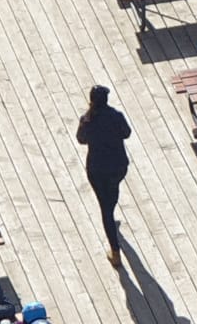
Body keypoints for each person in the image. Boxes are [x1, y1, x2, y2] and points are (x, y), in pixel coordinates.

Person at [76, 85, 132, 268]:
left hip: (97, 169)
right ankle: (114, 241)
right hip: (117, 167)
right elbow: (127, 133)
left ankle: (115, 251)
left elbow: (81, 139)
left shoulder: (87, 120)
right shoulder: (116, 116)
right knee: (111, 198)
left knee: (105, 207)